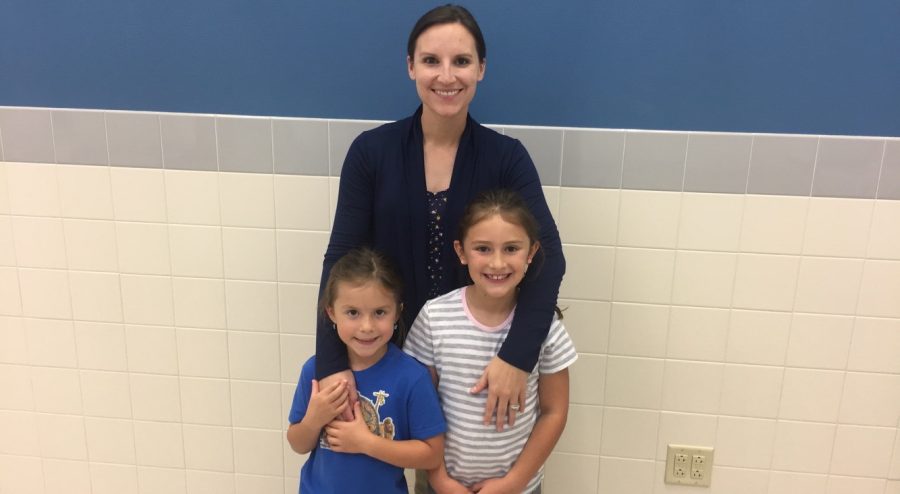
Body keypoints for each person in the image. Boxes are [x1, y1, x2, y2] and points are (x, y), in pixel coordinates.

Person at [316, 3, 565, 431]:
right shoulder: (371, 153)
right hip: (384, 351)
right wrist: (332, 362)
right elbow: (340, 260)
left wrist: (516, 357)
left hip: (479, 353)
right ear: (411, 66)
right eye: (431, 60)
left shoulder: (506, 158)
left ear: (481, 69)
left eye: (462, 61)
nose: (446, 76)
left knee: (471, 466)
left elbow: (549, 257)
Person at [405, 189, 577, 494]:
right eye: (483, 248)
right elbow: (419, 409)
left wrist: (514, 482)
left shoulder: (544, 328)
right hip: (440, 486)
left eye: (511, 248)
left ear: (531, 252)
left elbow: (554, 412)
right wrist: (440, 479)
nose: (497, 263)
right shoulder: (434, 318)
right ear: (461, 251)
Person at [287, 248, 447, 493]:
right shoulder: (315, 371)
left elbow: (432, 455)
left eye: (380, 312)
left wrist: (366, 443)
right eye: (352, 313)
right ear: (331, 313)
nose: (366, 327)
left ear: (397, 312)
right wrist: (313, 419)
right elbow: (297, 443)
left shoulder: (412, 378)